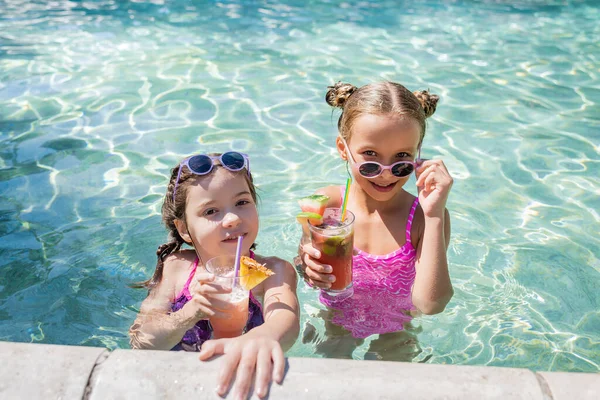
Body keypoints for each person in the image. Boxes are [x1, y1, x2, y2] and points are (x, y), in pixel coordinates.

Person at [297, 81, 454, 357]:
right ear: (344, 149)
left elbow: (430, 304)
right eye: (370, 158)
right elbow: (305, 265)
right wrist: (305, 266)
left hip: (397, 328)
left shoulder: (422, 218)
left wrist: (434, 215)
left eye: (402, 159)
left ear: (418, 154)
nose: (385, 173)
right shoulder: (327, 206)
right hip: (336, 319)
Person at [130, 152, 300, 399]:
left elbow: (286, 320)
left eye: (242, 203)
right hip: (181, 382)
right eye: (211, 211)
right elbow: (142, 341)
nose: (232, 219)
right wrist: (190, 312)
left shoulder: (272, 272)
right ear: (184, 229)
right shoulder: (177, 268)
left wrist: (263, 336)